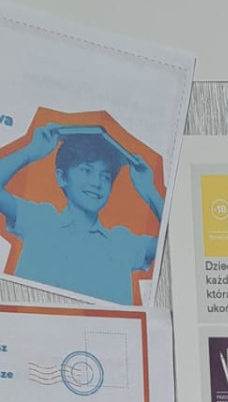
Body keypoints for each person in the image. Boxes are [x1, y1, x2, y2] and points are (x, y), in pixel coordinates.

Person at [0, 122, 162, 305]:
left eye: (105, 176)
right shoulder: (39, 219)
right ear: (62, 177)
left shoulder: (123, 243)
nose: (96, 183)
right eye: (86, 170)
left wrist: (150, 191)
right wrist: (30, 152)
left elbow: (178, 242)